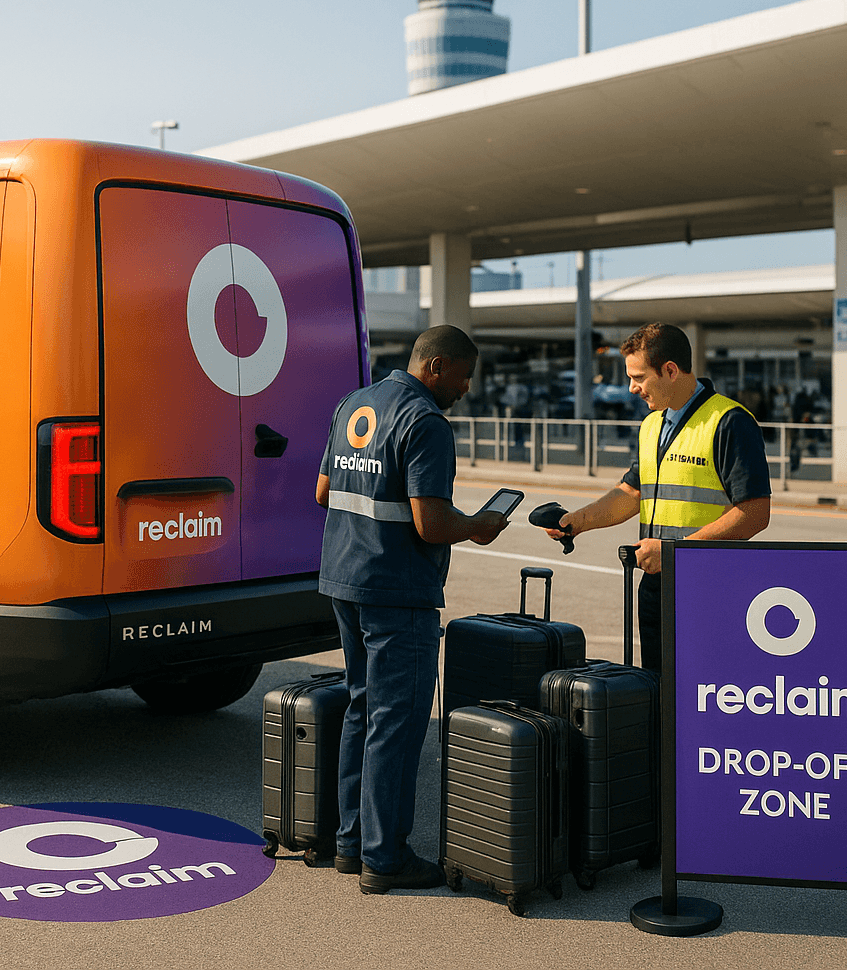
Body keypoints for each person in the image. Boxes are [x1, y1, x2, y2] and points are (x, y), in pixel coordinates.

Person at [315, 324, 508, 894]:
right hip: (398, 593)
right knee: (396, 727)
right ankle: (386, 857)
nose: (467, 387)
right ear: (438, 367)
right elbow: (431, 523)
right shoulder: (424, 421)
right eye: (465, 374)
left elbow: (324, 492)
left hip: (345, 582)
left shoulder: (355, 404)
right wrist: (479, 526)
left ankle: (351, 844)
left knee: (361, 710)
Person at [543, 322, 770, 675]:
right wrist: (578, 521)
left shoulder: (730, 422)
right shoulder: (652, 425)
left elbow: (754, 513)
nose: (632, 388)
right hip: (657, 585)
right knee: (659, 698)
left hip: (710, 590)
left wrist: (675, 552)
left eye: (639, 377)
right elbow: (632, 492)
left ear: (670, 370)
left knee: (704, 695)